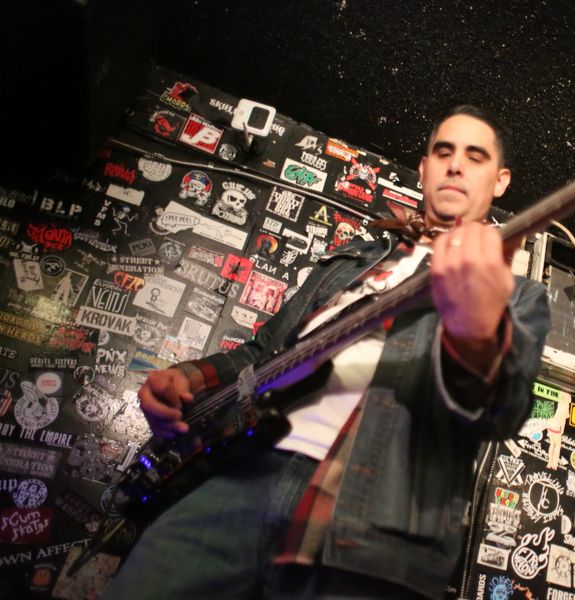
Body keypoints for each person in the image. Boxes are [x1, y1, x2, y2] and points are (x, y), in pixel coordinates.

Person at [103, 105, 550, 599]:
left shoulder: (517, 295)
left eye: (475, 156)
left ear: (500, 181)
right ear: (424, 170)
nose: (456, 165)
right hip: (238, 476)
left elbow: (503, 411)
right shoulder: (355, 258)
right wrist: (188, 377)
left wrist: (478, 330)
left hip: (373, 522)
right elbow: (263, 352)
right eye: (444, 152)